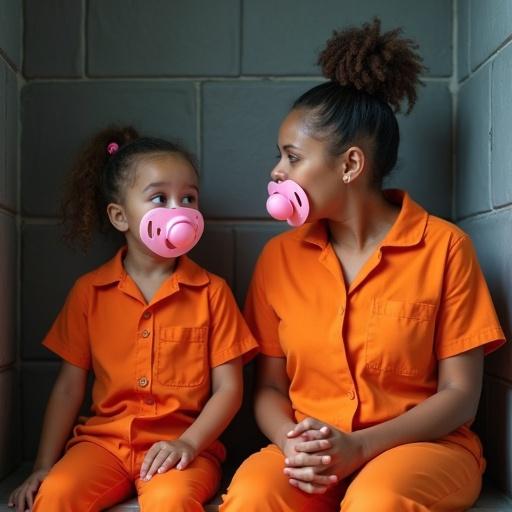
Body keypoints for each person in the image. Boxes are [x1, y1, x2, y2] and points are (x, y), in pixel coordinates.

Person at [219, 19, 505, 512]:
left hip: (424, 451)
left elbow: (461, 395)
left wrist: (362, 448)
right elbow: (267, 387)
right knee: (251, 496)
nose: (277, 171)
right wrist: (293, 444)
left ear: (350, 165)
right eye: (279, 157)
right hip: (314, 450)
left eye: (292, 156)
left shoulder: (445, 248)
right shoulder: (278, 259)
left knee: (376, 500)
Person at [8, 126, 258, 512]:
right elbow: (68, 389)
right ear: (120, 216)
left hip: (182, 448)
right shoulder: (88, 292)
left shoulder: (213, 293)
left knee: (171, 501)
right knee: (55, 495)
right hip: (101, 445)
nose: (179, 210)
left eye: (188, 198)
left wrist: (190, 443)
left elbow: (229, 390)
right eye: (159, 197)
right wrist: (44, 465)